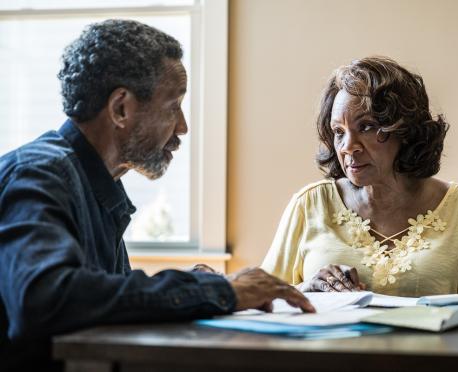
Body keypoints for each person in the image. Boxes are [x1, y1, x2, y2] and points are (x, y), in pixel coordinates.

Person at [0, 19, 314, 371]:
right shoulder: (40, 172)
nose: (182, 127)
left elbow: (98, 297)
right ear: (121, 108)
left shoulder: (96, 183)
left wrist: (195, 284)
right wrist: (220, 292)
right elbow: (46, 299)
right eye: (173, 106)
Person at [262, 56, 458, 297]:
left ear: (404, 130)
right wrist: (305, 289)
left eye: (366, 126)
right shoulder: (310, 204)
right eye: (338, 132)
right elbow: (260, 301)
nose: (348, 147)